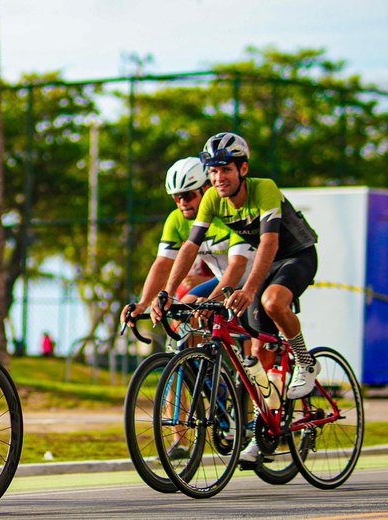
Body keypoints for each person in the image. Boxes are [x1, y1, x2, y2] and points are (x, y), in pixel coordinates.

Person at [151, 132, 319, 465]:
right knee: (258, 350)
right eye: (212, 172)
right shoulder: (213, 198)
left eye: (225, 170)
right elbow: (189, 247)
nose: (218, 178)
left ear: (242, 169)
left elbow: (269, 244)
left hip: (295, 256)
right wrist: (166, 293)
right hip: (265, 264)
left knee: (271, 303)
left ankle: (305, 361)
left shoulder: (264, 188)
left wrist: (249, 290)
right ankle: (262, 429)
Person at [122, 156, 254, 460]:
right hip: (222, 282)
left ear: (207, 188)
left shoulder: (227, 213)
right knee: (187, 314)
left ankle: (254, 409)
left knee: (255, 355)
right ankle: (213, 388)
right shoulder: (177, 220)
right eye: (176, 197)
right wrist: (145, 302)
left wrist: (215, 299)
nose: (182, 202)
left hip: (249, 281)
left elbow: (237, 267)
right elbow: (162, 265)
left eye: (188, 195)